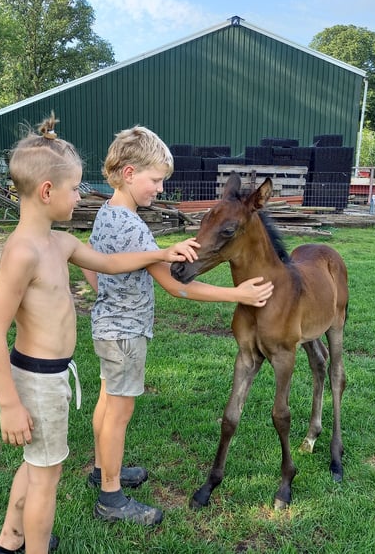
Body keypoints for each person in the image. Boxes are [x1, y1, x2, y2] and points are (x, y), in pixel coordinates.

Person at [0, 114, 199, 554]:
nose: (80, 195)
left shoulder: (60, 243)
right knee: (47, 477)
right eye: (75, 188)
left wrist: (162, 251)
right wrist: (8, 404)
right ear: (47, 192)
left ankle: (9, 540)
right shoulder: (22, 252)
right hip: (37, 379)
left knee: (37, 463)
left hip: (57, 374)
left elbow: (110, 264)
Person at [82, 126, 274, 526]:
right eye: (156, 180)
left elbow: (91, 267)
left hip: (106, 326)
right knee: (119, 412)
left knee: (106, 401)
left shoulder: (106, 214)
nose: (160, 189)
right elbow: (175, 286)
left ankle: (102, 470)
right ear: (130, 173)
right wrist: (237, 296)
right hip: (127, 333)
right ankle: (111, 498)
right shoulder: (134, 228)